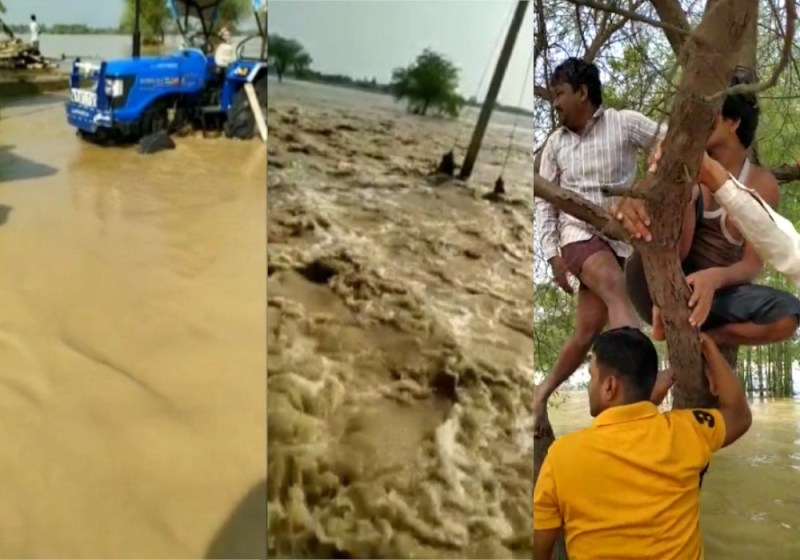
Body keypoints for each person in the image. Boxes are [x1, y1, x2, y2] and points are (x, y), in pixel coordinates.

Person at [617, 70, 800, 350]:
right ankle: (665, 307)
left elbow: (752, 264)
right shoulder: (684, 165)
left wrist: (713, 279)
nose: (695, 125)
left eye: (707, 116)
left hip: (711, 296)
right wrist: (636, 198)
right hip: (655, 278)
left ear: (733, 121)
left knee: (788, 314)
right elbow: (650, 187)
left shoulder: (762, 183)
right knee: (684, 188)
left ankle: (708, 339)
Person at [533, 327, 752, 559]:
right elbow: (740, 415)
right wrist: (709, 348)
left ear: (609, 386)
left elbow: (541, 551)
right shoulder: (687, 431)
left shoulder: (561, 456)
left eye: (591, 376)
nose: (589, 385)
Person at [533, 57, 665, 437]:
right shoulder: (555, 146)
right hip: (577, 236)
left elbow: (673, 142)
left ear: (582, 92)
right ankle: (636, 396)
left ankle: (540, 392)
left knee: (587, 331)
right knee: (616, 289)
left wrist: (643, 188)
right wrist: (554, 256)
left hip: (621, 240)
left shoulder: (624, 123)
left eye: (559, 94)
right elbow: (545, 203)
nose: (554, 103)